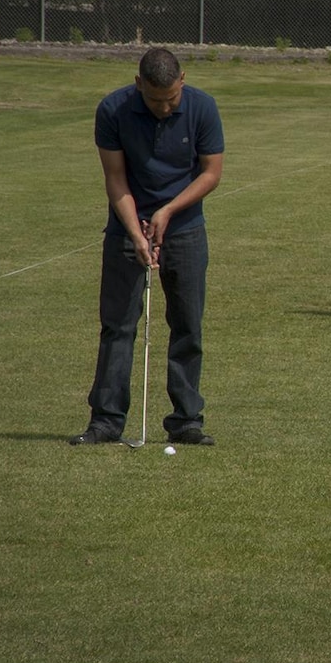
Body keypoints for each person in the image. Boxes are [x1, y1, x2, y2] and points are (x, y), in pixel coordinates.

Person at [72, 47, 224, 446]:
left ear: (183, 80)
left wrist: (169, 210)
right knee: (118, 326)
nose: (163, 107)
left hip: (186, 228)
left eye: (171, 97)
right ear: (138, 84)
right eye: (154, 99)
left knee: (188, 325)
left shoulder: (203, 108)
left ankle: (186, 420)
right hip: (127, 228)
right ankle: (105, 421)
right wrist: (136, 233)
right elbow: (115, 179)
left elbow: (211, 173)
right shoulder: (113, 110)